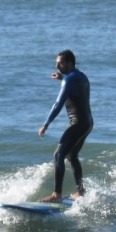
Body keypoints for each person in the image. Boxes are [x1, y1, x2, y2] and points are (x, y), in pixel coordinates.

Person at [38, 50, 93, 203]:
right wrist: (63, 78)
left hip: (77, 123)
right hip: (88, 122)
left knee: (58, 155)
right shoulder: (82, 76)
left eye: (60, 63)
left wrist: (46, 124)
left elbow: (58, 104)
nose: (56, 65)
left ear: (69, 63)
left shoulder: (69, 80)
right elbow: (77, 90)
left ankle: (57, 195)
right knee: (72, 155)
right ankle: (81, 192)